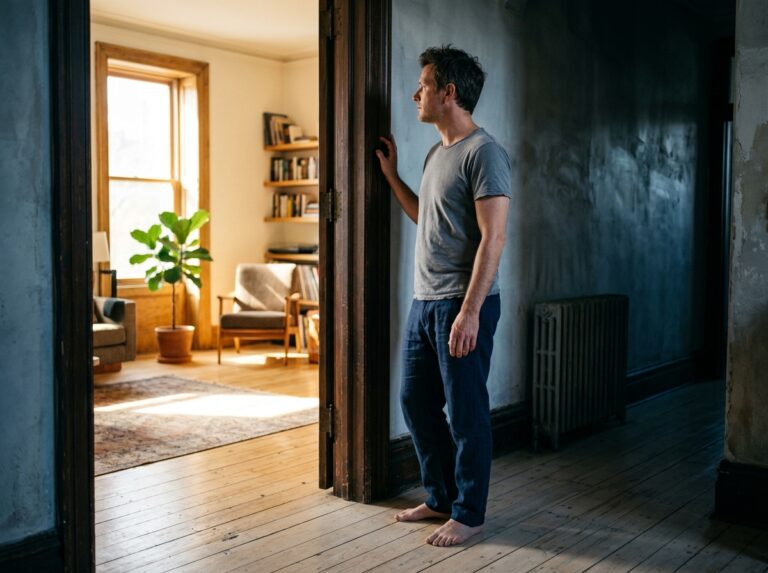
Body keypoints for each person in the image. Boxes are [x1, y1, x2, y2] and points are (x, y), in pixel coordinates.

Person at [376, 45, 512, 547]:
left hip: (463, 303)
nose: (416, 94)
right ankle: (439, 497)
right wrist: (392, 178)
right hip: (424, 302)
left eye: (425, 85)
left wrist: (471, 311)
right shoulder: (437, 154)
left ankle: (470, 512)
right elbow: (428, 218)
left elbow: (493, 238)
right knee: (415, 400)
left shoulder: (484, 153)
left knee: (467, 409)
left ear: (448, 93)